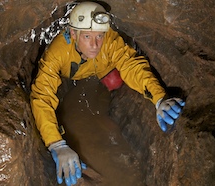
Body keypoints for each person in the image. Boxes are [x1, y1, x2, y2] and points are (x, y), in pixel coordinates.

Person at [30, 1, 185, 186]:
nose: (95, 44)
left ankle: (106, 89)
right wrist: (56, 143)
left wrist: (159, 98)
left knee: (115, 81)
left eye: (99, 36)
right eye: (87, 36)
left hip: (102, 69)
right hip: (69, 72)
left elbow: (131, 65)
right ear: (73, 33)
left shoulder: (110, 40)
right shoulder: (57, 52)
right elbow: (42, 96)